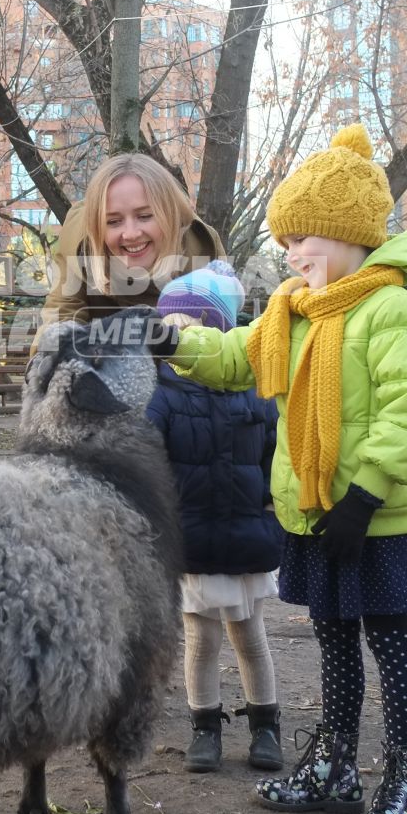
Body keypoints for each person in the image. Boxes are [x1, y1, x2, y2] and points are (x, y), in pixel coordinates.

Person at [156, 124, 407, 814]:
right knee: (333, 641)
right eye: (286, 243)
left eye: (302, 238)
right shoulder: (290, 310)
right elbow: (230, 360)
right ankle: (337, 765)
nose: (290, 255)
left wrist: (366, 495)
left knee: (389, 643)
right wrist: (174, 341)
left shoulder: (388, 309)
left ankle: (404, 776)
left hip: (368, 520)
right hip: (314, 515)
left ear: (346, 233)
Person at [144, 260, 285, 775]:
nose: (178, 336)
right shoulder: (160, 395)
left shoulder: (255, 391)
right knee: (200, 639)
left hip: (246, 533)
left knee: (250, 634)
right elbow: (147, 457)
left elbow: (275, 455)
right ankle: (205, 728)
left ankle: (265, 726)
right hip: (193, 537)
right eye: (171, 326)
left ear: (219, 330)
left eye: (189, 324)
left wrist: (273, 511)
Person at [41, 153, 224, 326]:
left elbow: (220, 337)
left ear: (170, 214)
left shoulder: (202, 247)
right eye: (113, 221)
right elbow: (60, 320)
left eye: (145, 216)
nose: (131, 234)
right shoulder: (80, 245)